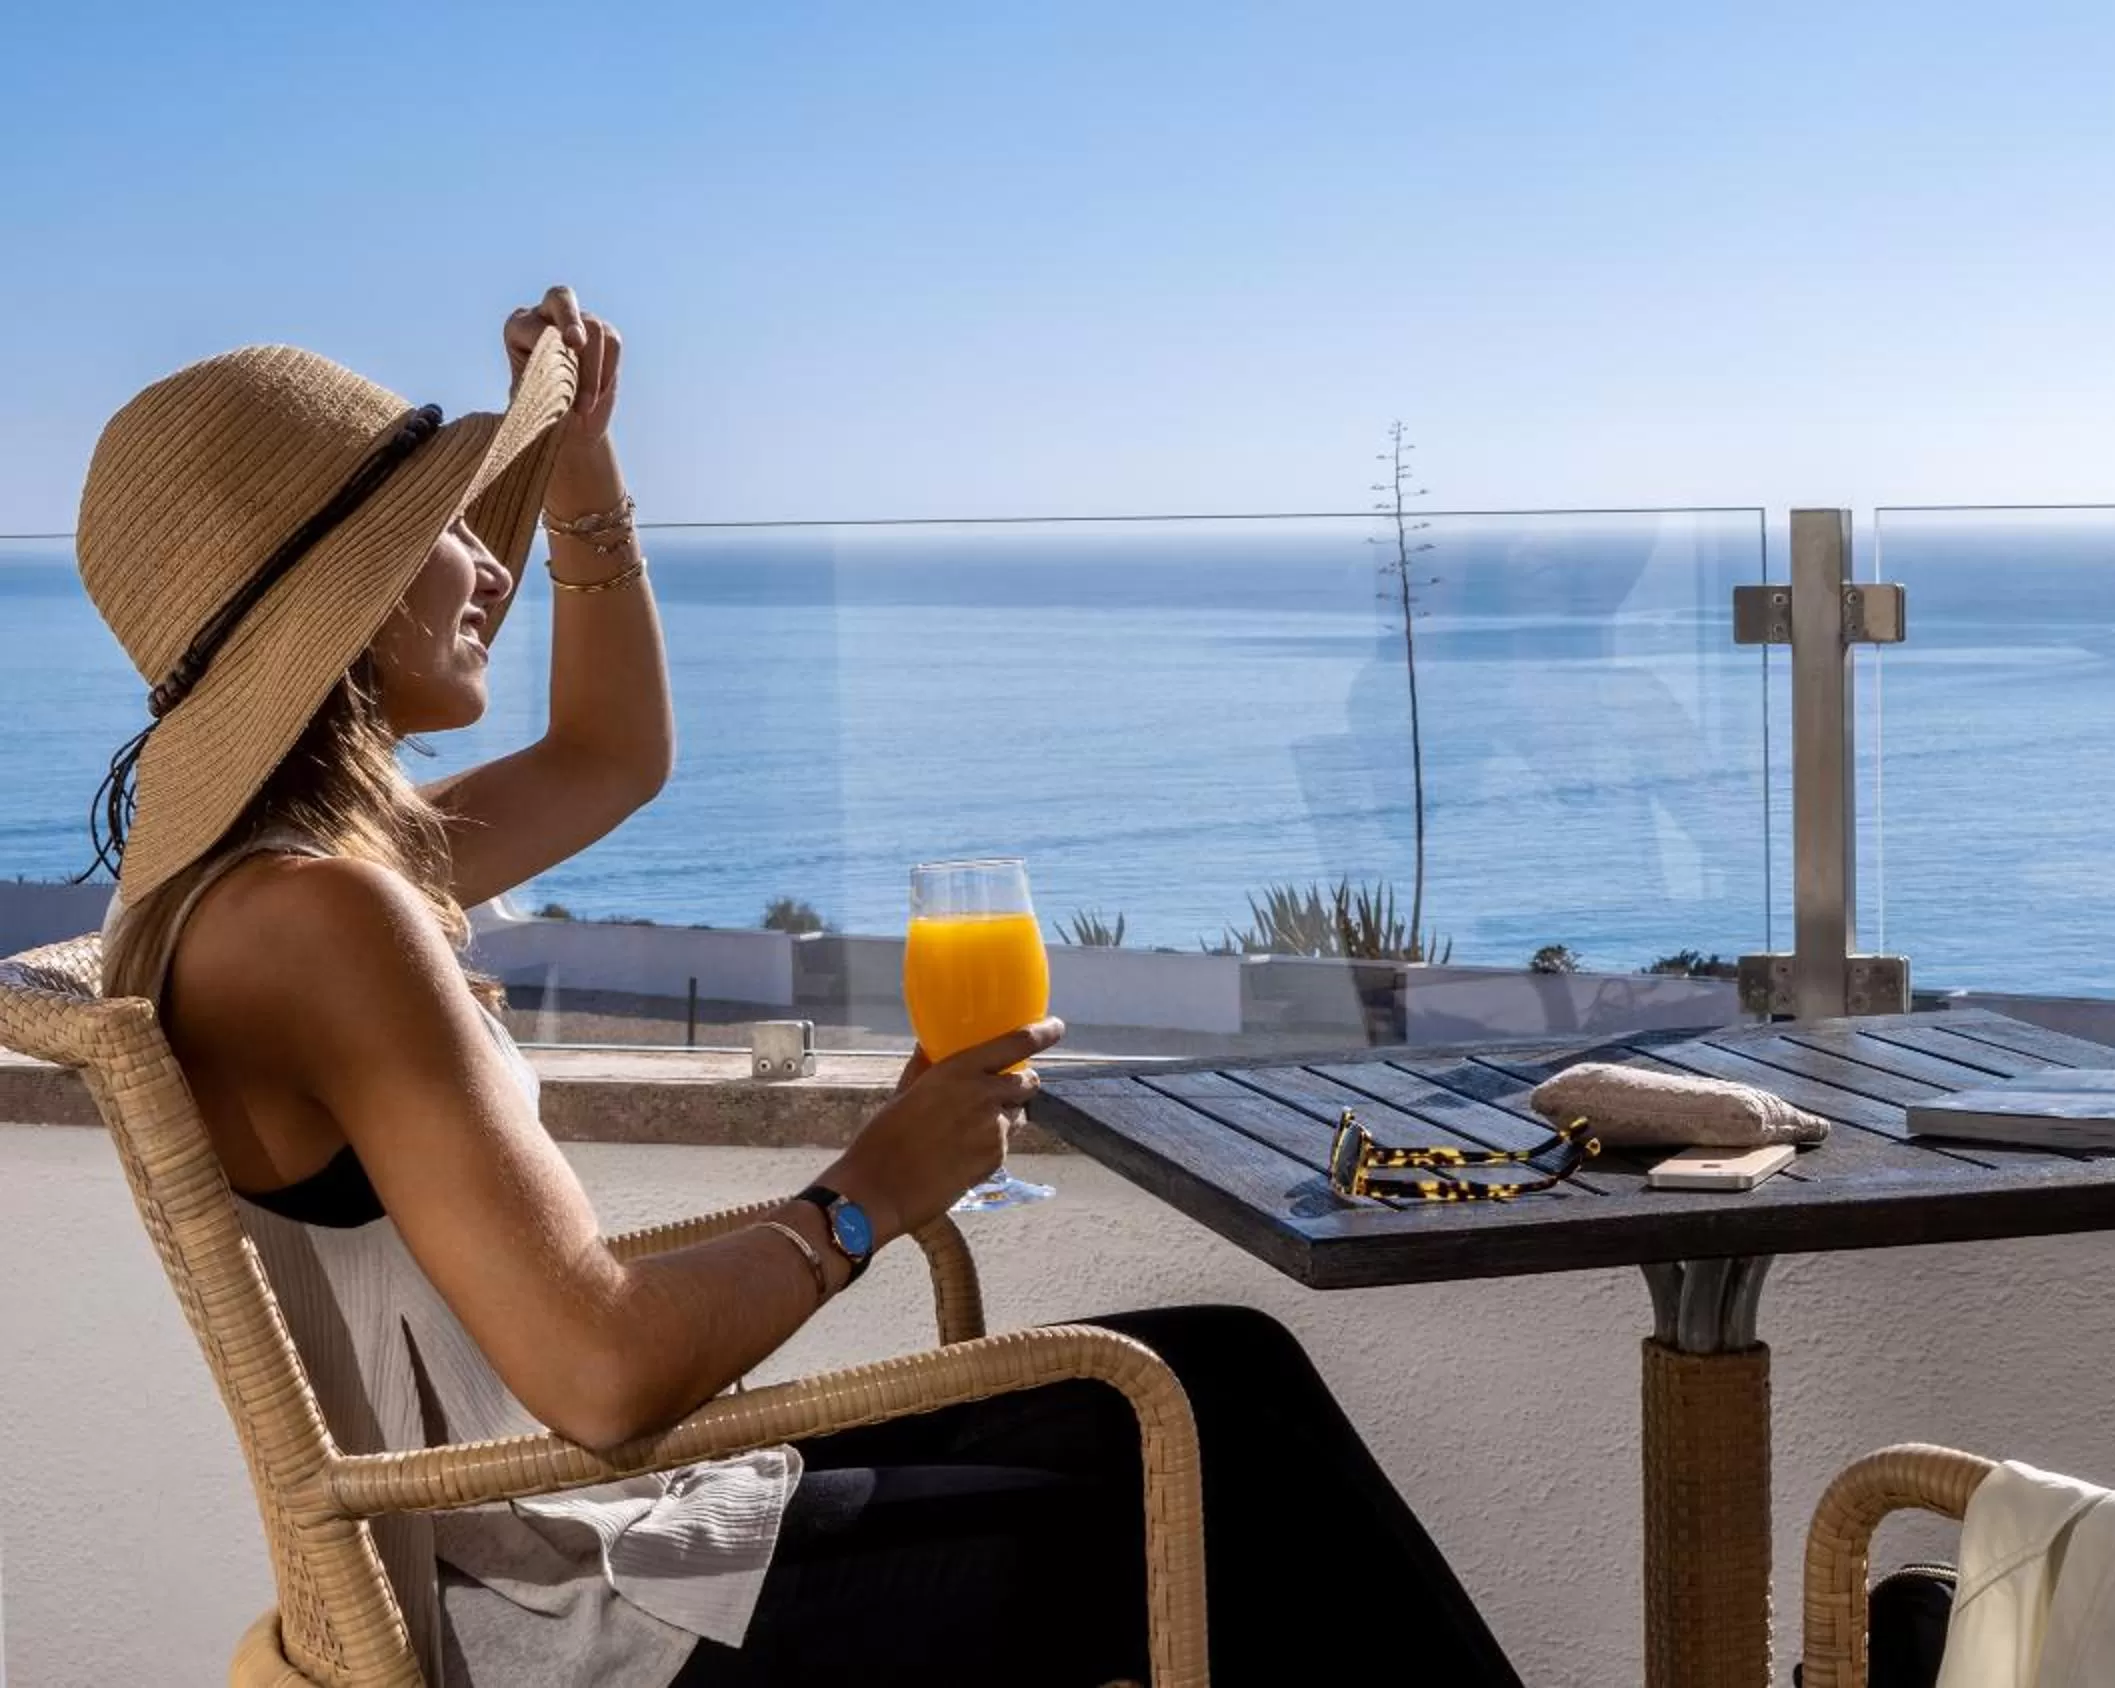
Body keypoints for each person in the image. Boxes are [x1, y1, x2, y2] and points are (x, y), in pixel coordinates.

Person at [73, 286, 1523, 1687]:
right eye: (451, 528)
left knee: (1224, 1373)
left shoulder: (277, 885)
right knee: (1217, 1455)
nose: (491, 565)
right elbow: (599, 1373)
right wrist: (864, 1195)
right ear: (347, 591)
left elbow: (609, 758)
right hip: (566, 1615)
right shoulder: (325, 917)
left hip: (581, 1532)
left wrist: (583, 476)